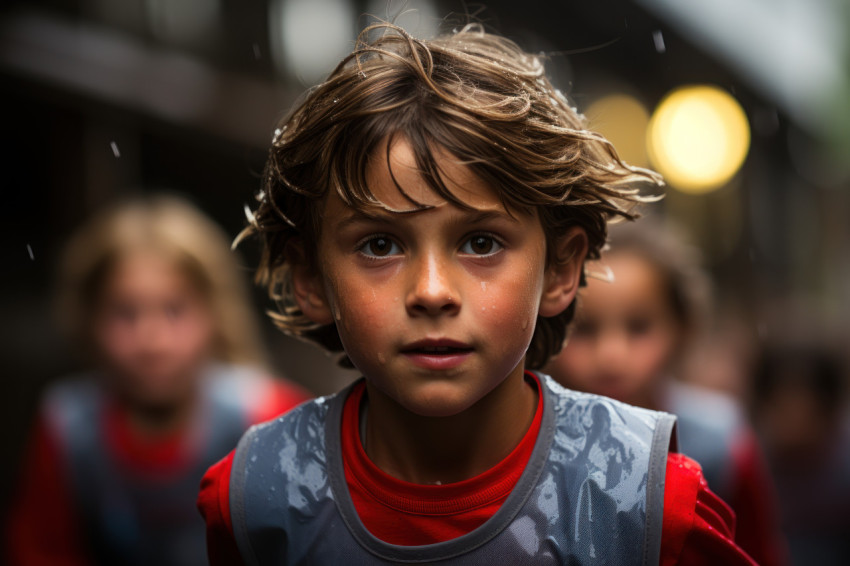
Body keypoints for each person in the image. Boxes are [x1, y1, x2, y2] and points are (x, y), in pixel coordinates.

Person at [198, 22, 757, 565]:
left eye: (482, 242)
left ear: (560, 270)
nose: (432, 291)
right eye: (378, 246)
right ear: (312, 279)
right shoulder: (256, 498)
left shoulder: (647, 504)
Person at [4, 195, 312, 566]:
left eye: (174, 310)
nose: (152, 340)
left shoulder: (271, 418)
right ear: (89, 320)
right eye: (125, 313)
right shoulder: (66, 427)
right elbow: (41, 551)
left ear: (213, 314)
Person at [545, 219, 788, 565]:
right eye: (584, 329)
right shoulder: (523, 443)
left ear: (682, 327)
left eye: (639, 327)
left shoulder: (722, 446)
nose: (612, 355)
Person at [751, 342, 850, 565]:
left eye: (807, 415)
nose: (795, 427)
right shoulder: (742, 466)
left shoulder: (845, 473)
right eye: (783, 411)